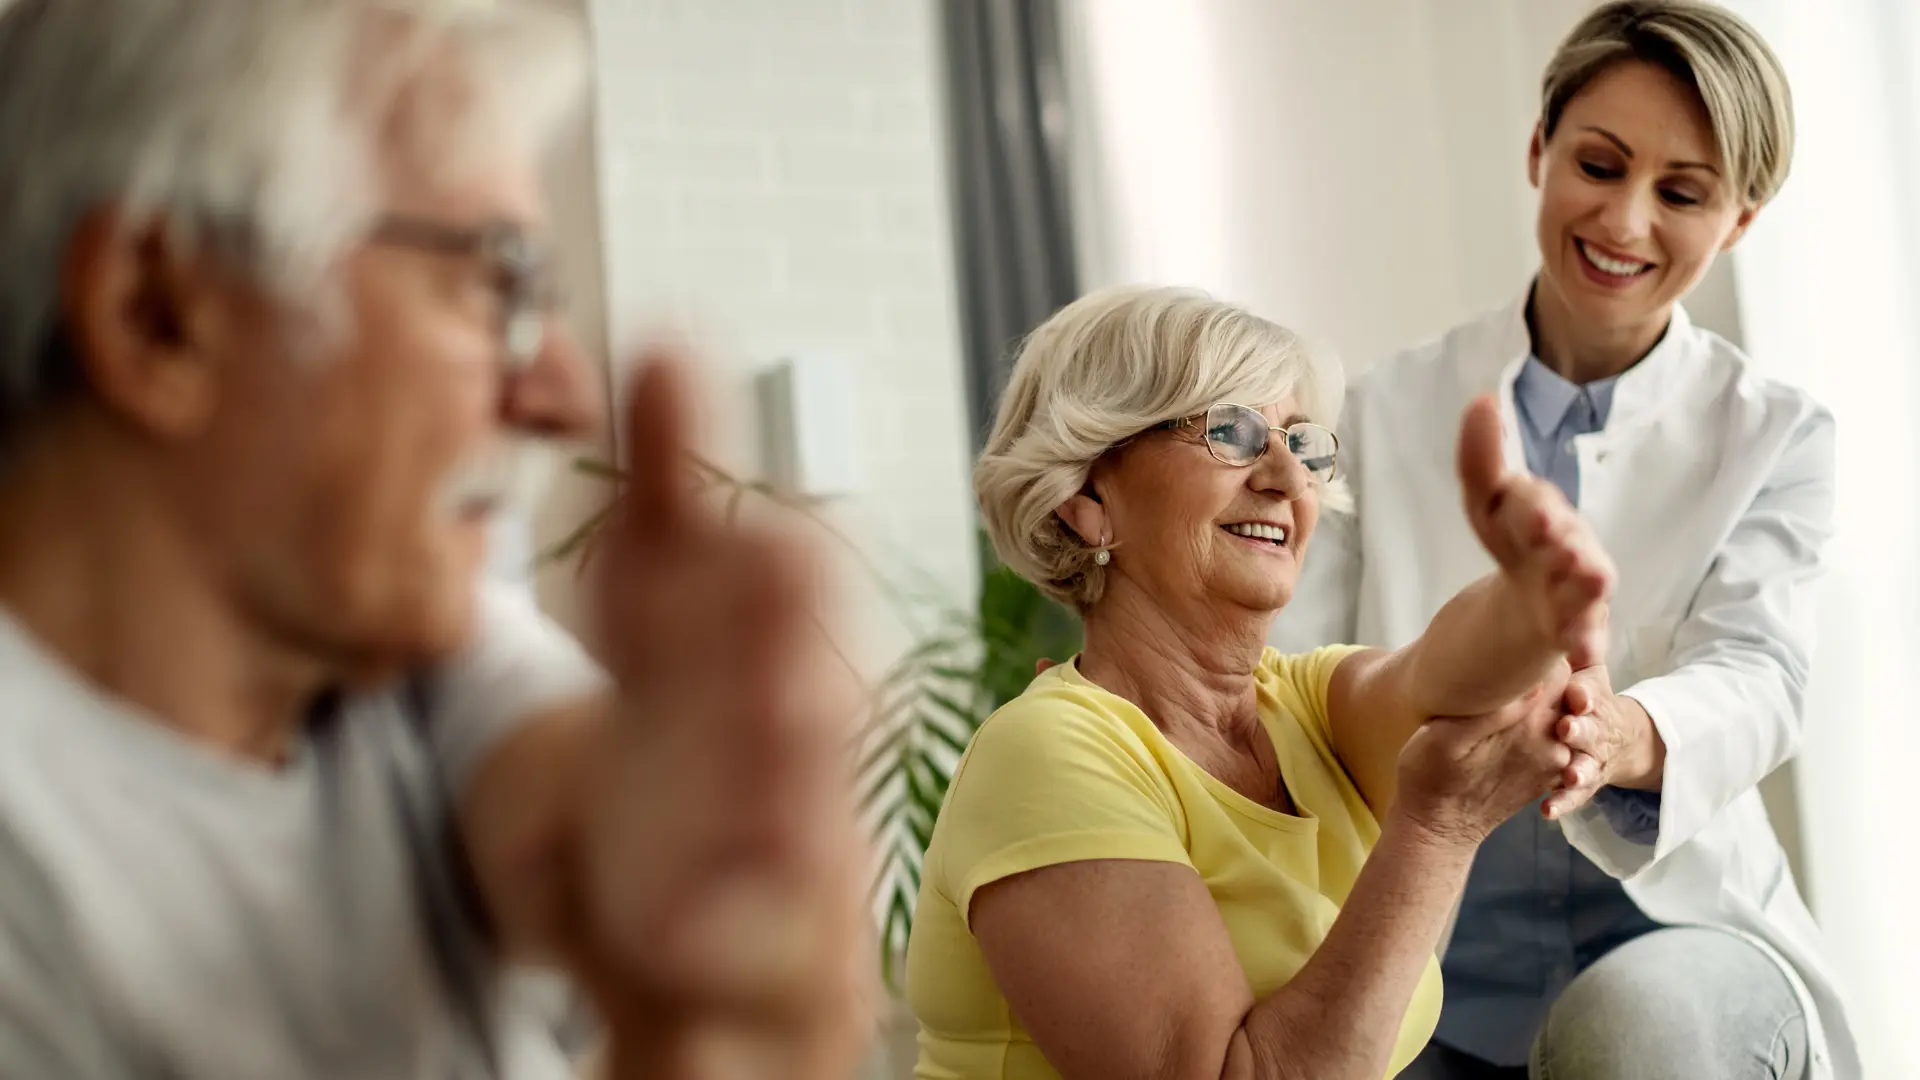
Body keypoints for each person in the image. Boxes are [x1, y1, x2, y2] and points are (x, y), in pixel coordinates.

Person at [0, 1, 871, 1078]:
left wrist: (721, 905)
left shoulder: (387, 661)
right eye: (494, 280)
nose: (560, 394)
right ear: (156, 312)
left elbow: (585, 823)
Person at [1270, 2, 1854, 1077]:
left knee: (1630, 1038)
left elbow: (1761, 672)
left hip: (1681, 932)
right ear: (1539, 150)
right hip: (1426, 957)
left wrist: (1623, 732)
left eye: (1681, 193)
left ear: (1738, 223)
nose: (1626, 223)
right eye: (1599, 163)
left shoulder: (1775, 433)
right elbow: (1290, 674)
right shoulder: (1383, 409)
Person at [905, 284, 1617, 1080]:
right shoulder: (1048, 756)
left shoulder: (1303, 704)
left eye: (1302, 442)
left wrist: (1535, 595)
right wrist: (1438, 829)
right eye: (1233, 432)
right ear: (1087, 499)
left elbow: (1445, 675)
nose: (1286, 475)